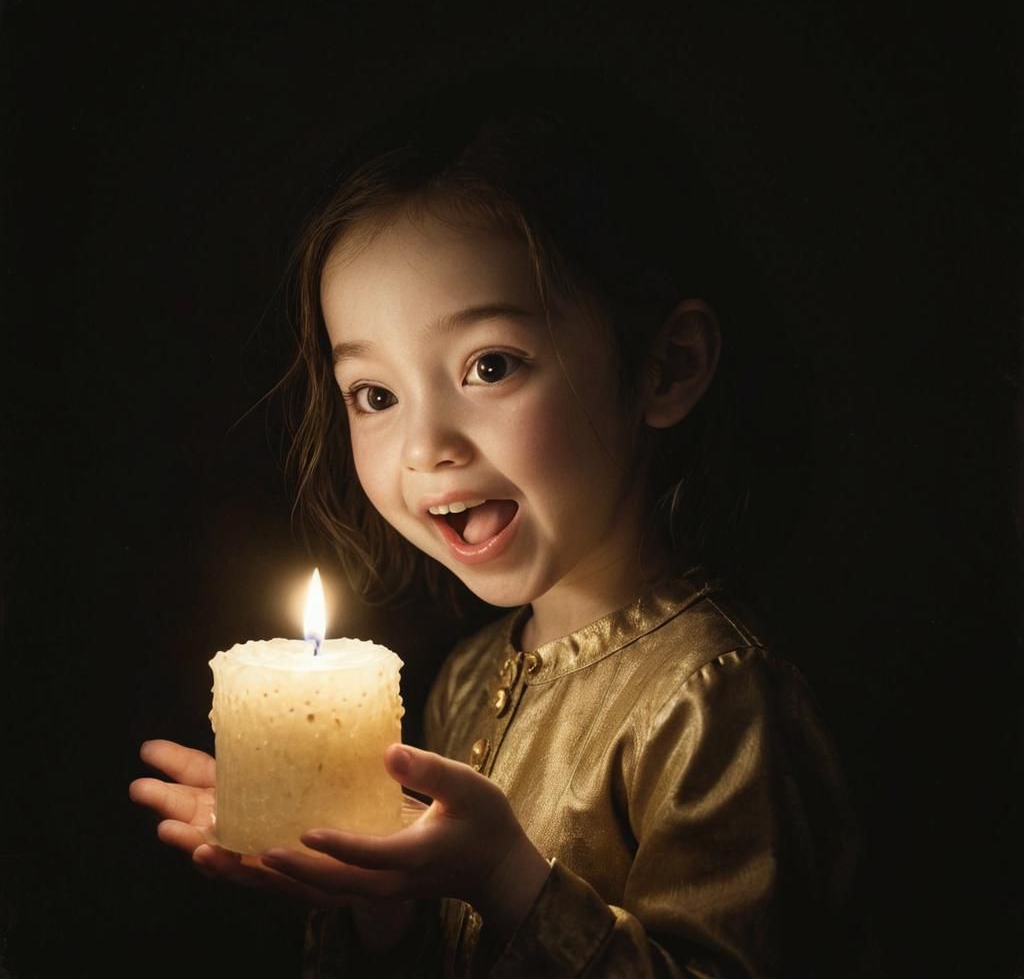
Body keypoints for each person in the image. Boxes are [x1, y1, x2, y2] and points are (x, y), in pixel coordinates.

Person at [130, 68, 863, 978]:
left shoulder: (713, 699)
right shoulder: (467, 679)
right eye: (375, 393)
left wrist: (505, 877)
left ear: (667, 367)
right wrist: (383, 903)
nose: (425, 446)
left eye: (490, 366)